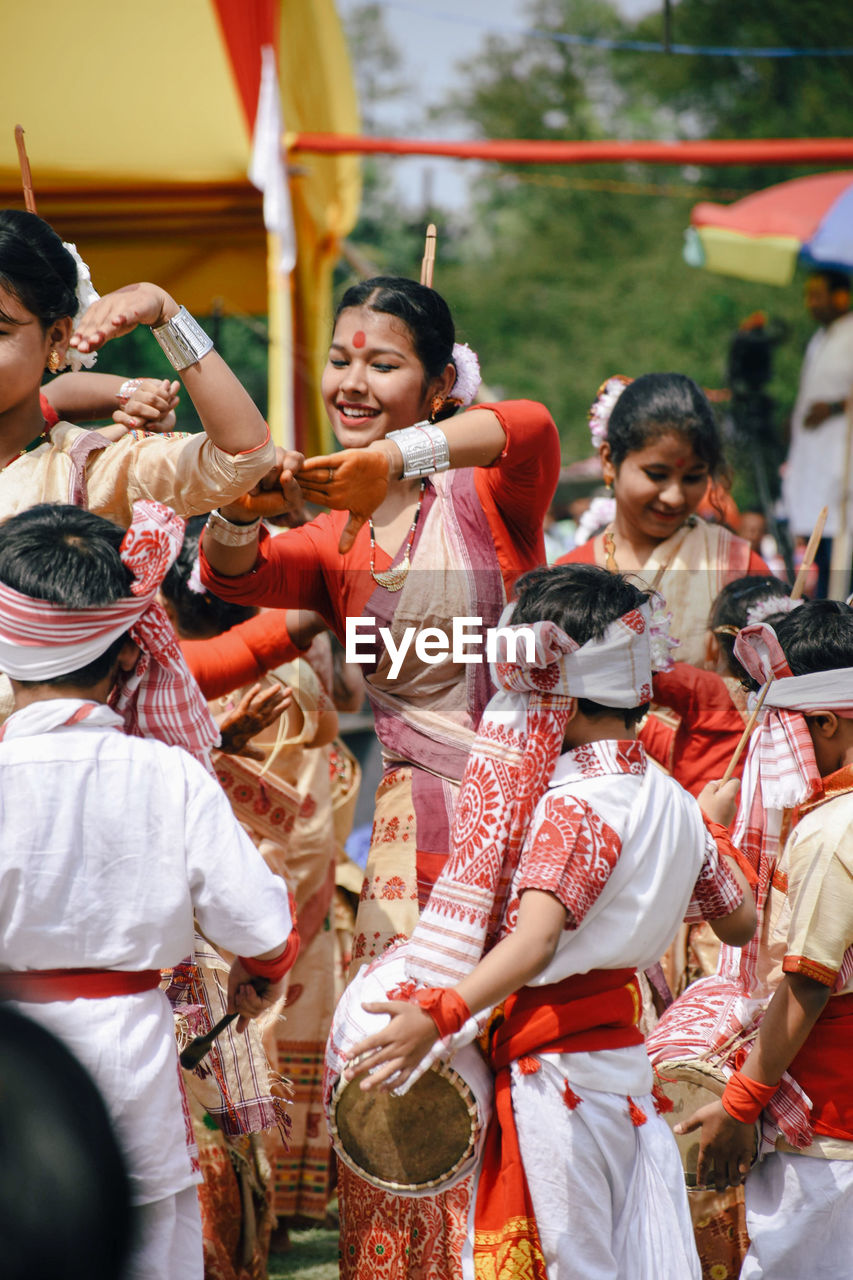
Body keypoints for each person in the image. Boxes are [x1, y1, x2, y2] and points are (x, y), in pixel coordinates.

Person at [199, 274, 561, 1279]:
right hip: (408, 840)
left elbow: (527, 424)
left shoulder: (492, 493)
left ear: (440, 382)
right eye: (342, 358)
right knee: (404, 1069)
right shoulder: (332, 538)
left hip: (525, 822)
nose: (353, 381)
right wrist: (245, 506)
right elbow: (235, 580)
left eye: (385, 361)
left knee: (530, 1057)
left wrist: (395, 459)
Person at [341, 563, 755, 1280]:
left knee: (571, 1264)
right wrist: (708, 831)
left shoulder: (575, 805)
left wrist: (439, 1013)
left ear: (554, 700)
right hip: (623, 1072)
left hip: (558, 1079)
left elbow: (533, 942)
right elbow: (740, 922)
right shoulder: (671, 801)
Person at [0, 501, 297, 1280]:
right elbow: (260, 924)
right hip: (133, 1057)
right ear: (131, 652)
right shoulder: (169, 776)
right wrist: (258, 975)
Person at [675, 600, 853, 1279]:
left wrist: (739, 1102)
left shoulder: (832, 831)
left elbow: (806, 986)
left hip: (830, 1131)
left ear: (821, 724)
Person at [0, 209, 278, 522]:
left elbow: (242, 457)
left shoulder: (84, 471)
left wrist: (166, 312)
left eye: (1, 331)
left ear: (57, 336)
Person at [557, 373, 768, 665]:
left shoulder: (737, 566)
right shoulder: (568, 578)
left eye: (693, 477)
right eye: (657, 474)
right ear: (608, 459)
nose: (675, 497)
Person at [782, 269, 853, 597]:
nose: (811, 303)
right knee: (822, 553)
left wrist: (835, 408)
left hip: (843, 463)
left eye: (818, 294)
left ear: (841, 296)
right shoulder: (821, 338)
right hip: (817, 465)